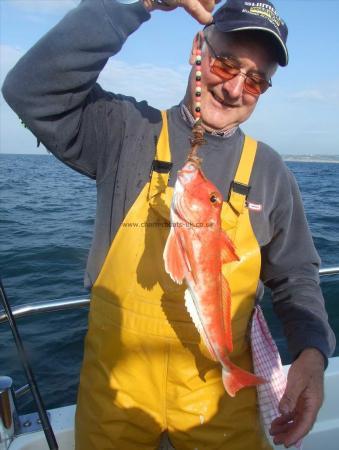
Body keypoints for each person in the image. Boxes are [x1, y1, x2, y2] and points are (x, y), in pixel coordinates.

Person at [2, 1, 336, 449]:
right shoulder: (125, 130)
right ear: (198, 48)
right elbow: (30, 90)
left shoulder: (271, 172)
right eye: (225, 64)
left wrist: (312, 355)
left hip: (218, 396)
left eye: (255, 80)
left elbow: (295, 276)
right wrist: (136, 4)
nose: (235, 88)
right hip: (117, 390)